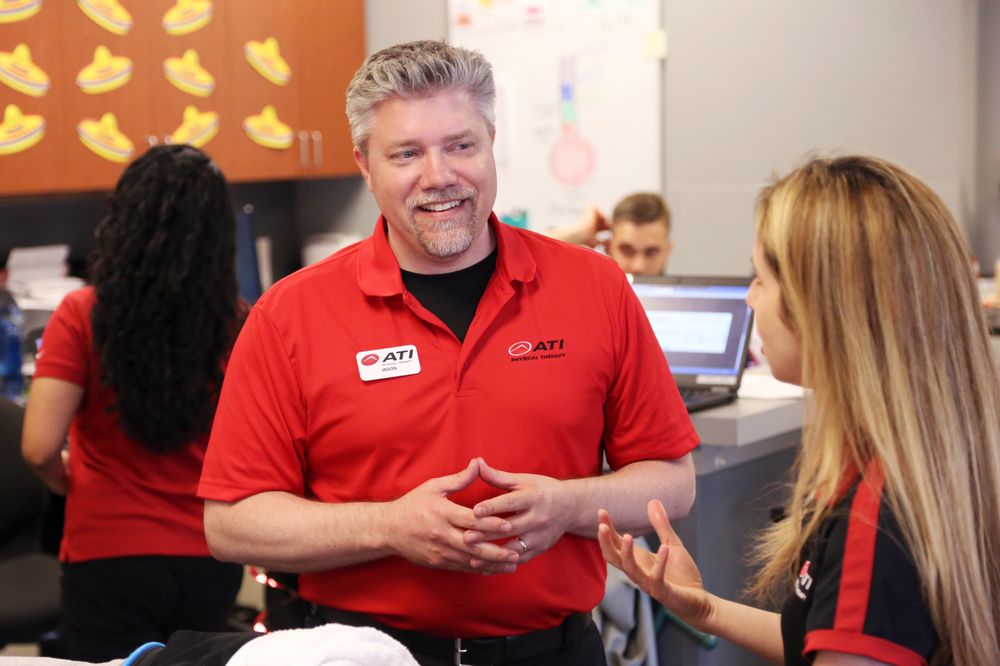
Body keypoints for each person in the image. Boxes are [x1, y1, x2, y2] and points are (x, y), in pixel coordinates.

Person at [198, 40, 698, 666]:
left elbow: (672, 482)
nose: (439, 176)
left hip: (554, 652)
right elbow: (231, 523)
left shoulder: (594, 286)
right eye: (407, 153)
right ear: (365, 165)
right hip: (363, 656)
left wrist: (568, 506)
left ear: (491, 143)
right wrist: (387, 527)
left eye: (461, 145)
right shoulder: (289, 315)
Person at [598, 155, 1000, 665]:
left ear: (820, 306)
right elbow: (823, 637)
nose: (749, 298)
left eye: (761, 278)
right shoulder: (914, 467)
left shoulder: (873, 520)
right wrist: (705, 609)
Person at [21, 145, 246, 661]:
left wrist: (70, 482)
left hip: (108, 553)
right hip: (209, 552)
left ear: (123, 219)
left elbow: (38, 448)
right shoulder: (240, 323)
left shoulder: (82, 313)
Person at [546, 192, 674, 275]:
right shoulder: (591, 296)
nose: (638, 267)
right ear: (609, 247)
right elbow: (533, 255)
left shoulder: (684, 304)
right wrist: (581, 231)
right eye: (627, 250)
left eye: (651, 252)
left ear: (668, 250)